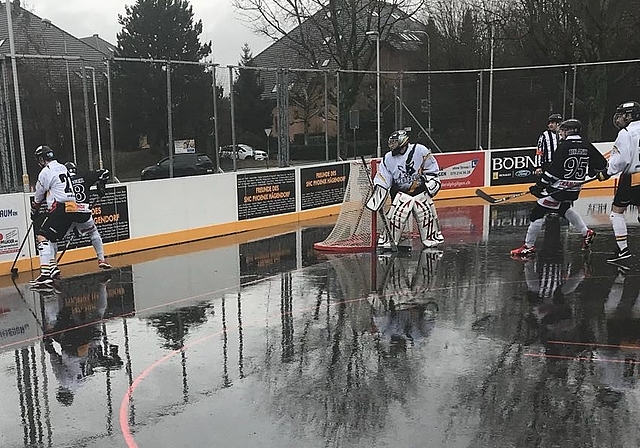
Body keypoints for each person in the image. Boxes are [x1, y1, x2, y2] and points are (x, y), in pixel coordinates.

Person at [510, 119, 608, 257]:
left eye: (562, 130)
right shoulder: (587, 145)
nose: (560, 133)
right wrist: (592, 171)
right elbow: (602, 164)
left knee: (537, 212)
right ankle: (586, 232)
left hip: (559, 188)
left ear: (569, 131)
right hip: (575, 188)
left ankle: (529, 246)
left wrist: (539, 186)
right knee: (563, 208)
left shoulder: (563, 147)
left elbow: (553, 172)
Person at [366, 130, 443, 249]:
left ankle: (431, 239)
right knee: (396, 218)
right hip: (400, 195)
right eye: (391, 142)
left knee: (426, 216)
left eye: (395, 142)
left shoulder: (420, 150)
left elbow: (432, 170)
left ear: (403, 141)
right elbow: (383, 180)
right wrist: (378, 195)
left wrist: (432, 184)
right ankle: (389, 241)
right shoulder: (388, 158)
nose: (392, 145)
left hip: (420, 193)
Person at [30, 146, 92, 288]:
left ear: (41, 159)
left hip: (60, 208)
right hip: (72, 207)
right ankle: (53, 268)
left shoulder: (46, 172)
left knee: (42, 236)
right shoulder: (63, 167)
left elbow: (39, 194)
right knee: (51, 238)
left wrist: (35, 209)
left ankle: (45, 274)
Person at [595, 100, 640, 266]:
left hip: (632, 177)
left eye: (622, 115)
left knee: (617, 213)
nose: (619, 118)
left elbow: (621, 159)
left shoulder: (625, 132)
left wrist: (606, 173)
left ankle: (623, 250)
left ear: (630, 116)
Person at [64, 162, 112, 270]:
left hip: (68, 213)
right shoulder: (84, 176)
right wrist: (101, 186)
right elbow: (105, 172)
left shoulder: (63, 181)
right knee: (93, 232)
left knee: (53, 238)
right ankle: (101, 259)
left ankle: (51, 266)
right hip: (84, 213)